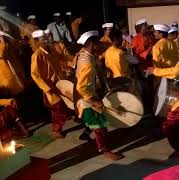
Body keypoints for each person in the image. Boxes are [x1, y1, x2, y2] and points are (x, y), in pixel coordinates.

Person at [74, 30, 124, 160]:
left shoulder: (86, 54)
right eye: (97, 42)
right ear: (91, 43)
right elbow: (81, 87)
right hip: (87, 97)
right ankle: (105, 150)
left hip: (91, 93)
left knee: (97, 122)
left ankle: (86, 134)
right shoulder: (87, 63)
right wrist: (93, 101)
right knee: (99, 126)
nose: (100, 44)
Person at [31, 30, 68, 139]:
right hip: (50, 87)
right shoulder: (37, 55)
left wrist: (73, 60)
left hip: (60, 83)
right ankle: (56, 130)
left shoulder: (51, 50)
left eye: (46, 38)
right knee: (58, 108)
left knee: (61, 107)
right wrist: (46, 88)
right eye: (43, 39)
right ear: (37, 41)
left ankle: (58, 127)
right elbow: (35, 74)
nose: (46, 40)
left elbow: (62, 58)